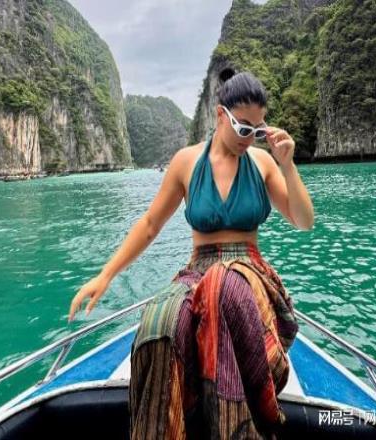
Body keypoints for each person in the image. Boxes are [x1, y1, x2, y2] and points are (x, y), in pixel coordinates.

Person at [67, 69, 314, 439]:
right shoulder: (186, 162)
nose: (249, 138)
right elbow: (150, 224)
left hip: (248, 271)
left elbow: (303, 220)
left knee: (223, 287)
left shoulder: (262, 164)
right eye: (243, 127)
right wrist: (106, 275)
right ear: (220, 115)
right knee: (160, 321)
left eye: (258, 130)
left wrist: (288, 165)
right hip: (197, 270)